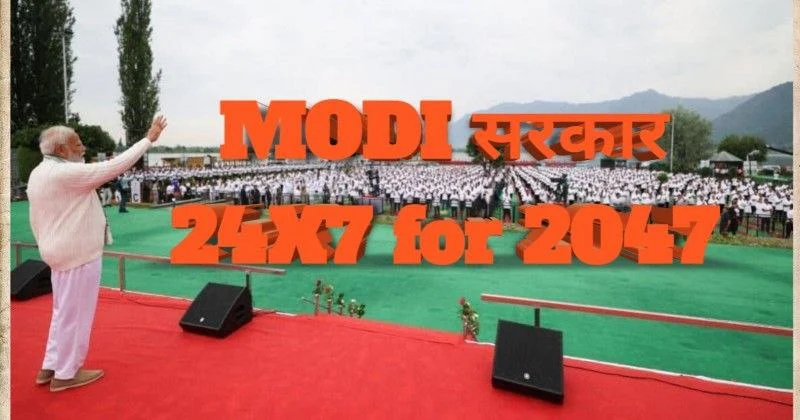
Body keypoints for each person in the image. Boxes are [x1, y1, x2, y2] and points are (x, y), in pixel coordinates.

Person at [27, 115, 168, 392]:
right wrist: (148, 140)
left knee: (62, 312)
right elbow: (113, 166)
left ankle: (51, 365)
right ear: (61, 150)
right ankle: (66, 374)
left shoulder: (39, 172)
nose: (83, 148)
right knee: (75, 315)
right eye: (77, 144)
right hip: (77, 254)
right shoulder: (65, 173)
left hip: (58, 252)